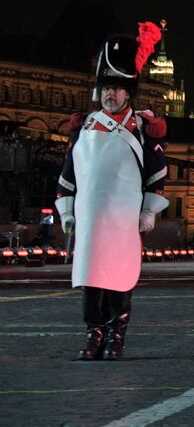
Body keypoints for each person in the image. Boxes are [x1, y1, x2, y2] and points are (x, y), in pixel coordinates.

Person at [55, 23, 169, 361]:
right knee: (91, 282)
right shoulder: (84, 128)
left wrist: (149, 211)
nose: (111, 94)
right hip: (90, 220)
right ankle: (94, 335)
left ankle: (115, 338)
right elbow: (69, 174)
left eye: (117, 89)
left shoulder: (143, 129)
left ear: (128, 93)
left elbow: (156, 174)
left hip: (123, 221)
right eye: (106, 88)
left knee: (119, 282)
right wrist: (67, 212)